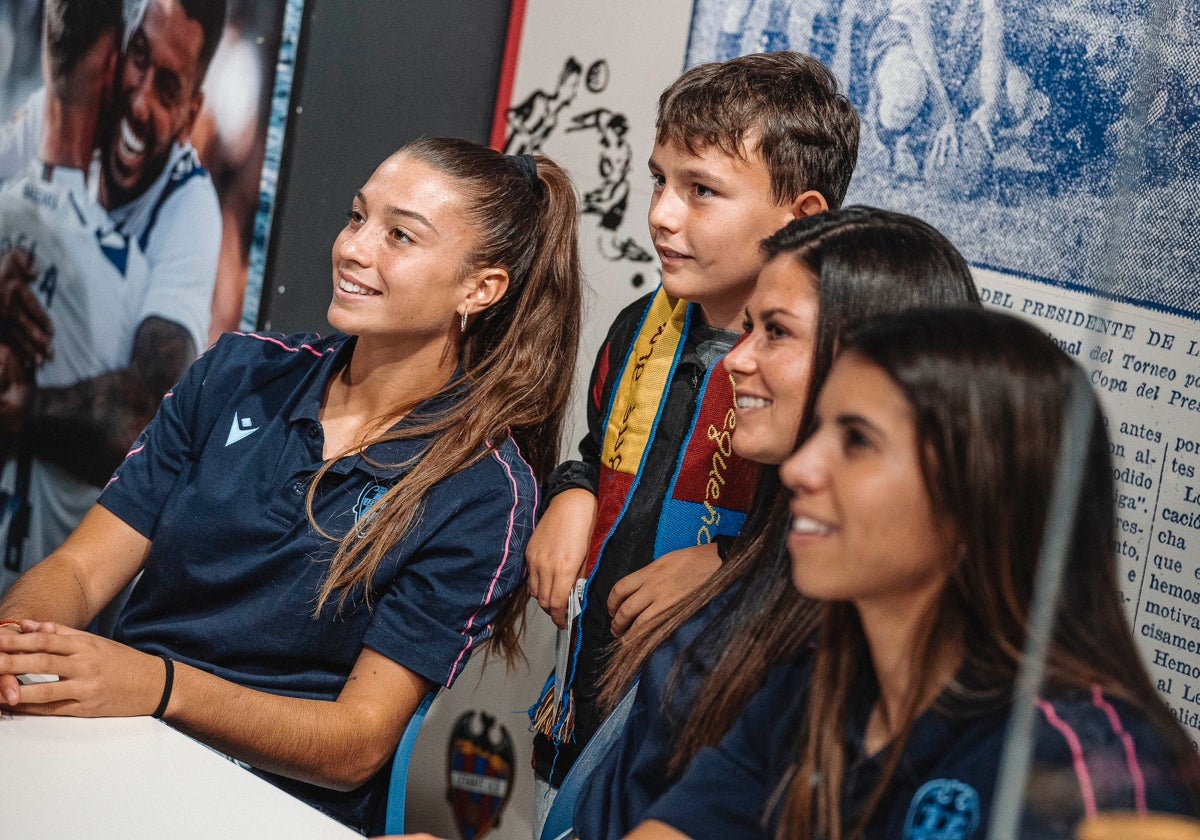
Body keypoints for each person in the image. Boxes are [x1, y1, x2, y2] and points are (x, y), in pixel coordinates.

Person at [0, 137, 583, 836]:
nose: (354, 248)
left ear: (480, 288)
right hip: (112, 742)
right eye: (357, 217)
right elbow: (80, 568)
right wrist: (19, 646)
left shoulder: (485, 491)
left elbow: (356, 743)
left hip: (266, 804)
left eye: (400, 235)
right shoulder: (239, 371)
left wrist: (158, 687)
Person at [629, 307, 1200, 839]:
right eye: (818, 431)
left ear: (980, 491)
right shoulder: (818, 678)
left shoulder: (1083, 768)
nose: (800, 469)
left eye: (857, 441)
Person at [526, 51, 861, 824]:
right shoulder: (635, 330)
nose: (661, 214)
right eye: (660, 180)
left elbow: (835, 543)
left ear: (802, 218)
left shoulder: (820, 375)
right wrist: (572, 495)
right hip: (592, 673)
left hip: (709, 707)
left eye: (701, 191)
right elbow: (599, 452)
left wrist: (727, 564)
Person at [574, 207, 981, 839]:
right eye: (747, 329)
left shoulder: (851, 630)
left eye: (776, 333)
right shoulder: (770, 556)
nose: (737, 360)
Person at [0, 0, 226, 584]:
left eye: (168, 87)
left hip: (64, 559)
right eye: (138, 59)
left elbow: (147, 420)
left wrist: (24, 408)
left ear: (191, 113)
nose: (139, 99)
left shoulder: (189, 209)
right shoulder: (59, 127)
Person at [0, 0, 153, 590]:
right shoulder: (127, 273)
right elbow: (144, 443)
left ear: (46, 50)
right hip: (37, 626)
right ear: (112, 68)